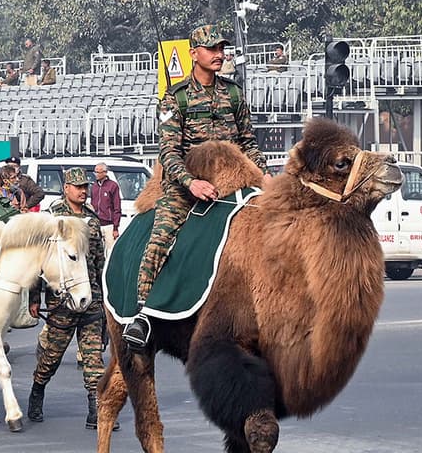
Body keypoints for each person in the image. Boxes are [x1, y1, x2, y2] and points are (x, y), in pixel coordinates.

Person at [123, 25, 268, 348]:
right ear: (193, 54)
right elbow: (169, 152)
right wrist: (192, 183)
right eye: (212, 49)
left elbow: (248, 143)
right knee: (160, 237)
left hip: (234, 181)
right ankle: (142, 316)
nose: (219, 55)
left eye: (222, 49)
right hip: (187, 184)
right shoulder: (176, 98)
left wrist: (265, 173)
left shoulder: (233, 93)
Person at [27, 168, 116, 431]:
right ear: (66, 188)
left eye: (85, 186)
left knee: (93, 358)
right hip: (61, 301)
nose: (83, 191)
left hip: (91, 299)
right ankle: (37, 390)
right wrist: (34, 297)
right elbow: (38, 261)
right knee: (51, 358)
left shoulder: (92, 219)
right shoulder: (53, 219)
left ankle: (95, 410)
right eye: (77, 186)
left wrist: (104, 297)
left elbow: (100, 261)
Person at [91, 163, 122, 253]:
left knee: (110, 250)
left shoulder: (113, 186)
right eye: (95, 172)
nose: (96, 174)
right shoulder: (94, 186)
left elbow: (117, 207)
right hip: (97, 224)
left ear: (104, 173)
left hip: (109, 225)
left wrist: (115, 227)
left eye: (98, 172)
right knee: (97, 251)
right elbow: (92, 204)